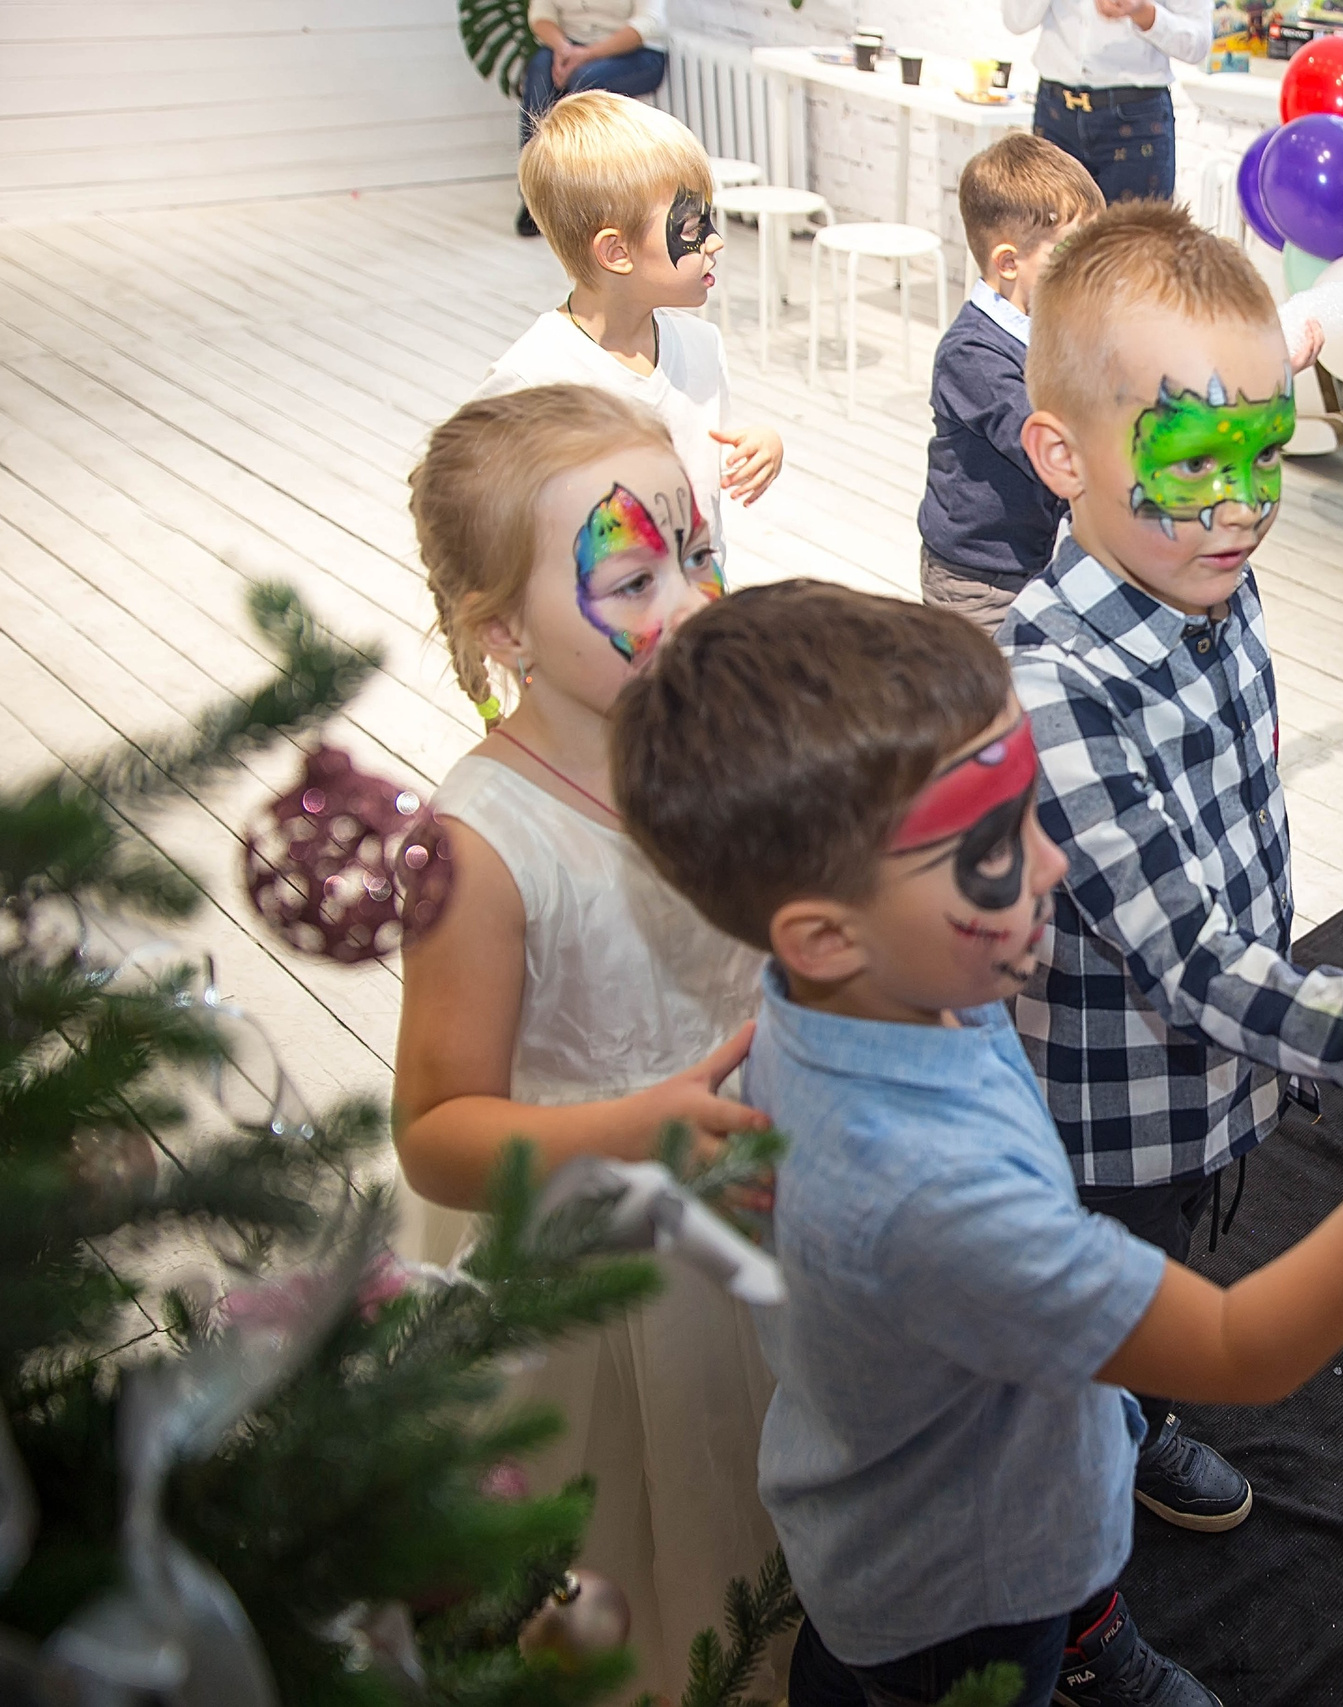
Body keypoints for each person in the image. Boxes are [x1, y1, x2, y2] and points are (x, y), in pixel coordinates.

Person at [606, 579, 1343, 1707]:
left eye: (1031, 810)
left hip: (897, 1511)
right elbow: (1241, 1348)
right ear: (824, 932)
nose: (1050, 864)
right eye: (990, 849)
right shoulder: (930, 1194)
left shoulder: (868, 986)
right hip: (965, 1601)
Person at [1000, 201, 1343, 1529]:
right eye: (1190, 457)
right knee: (1092, 1330)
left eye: (1261, 448)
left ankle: (1141, 1414)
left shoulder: (1208, 576)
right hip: (1105, 1124)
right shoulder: (1047, 685)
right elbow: (1196, 965)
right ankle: (1071, 1564)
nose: (1240, 504)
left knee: (1165, 1282)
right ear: (1061, 454)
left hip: (1209, 1095)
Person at [395, 384, 782, 1701]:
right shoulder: (480, 846)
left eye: (699, 549)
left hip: (765, 1192)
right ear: (501, 626)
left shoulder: (706, 740)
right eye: (630, 571)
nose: (685, 596)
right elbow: (439, 1133)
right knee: (653, 1561)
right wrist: (634, 1127)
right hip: (606, 1265)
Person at [480, 91, 784, 543]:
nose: (715, 242)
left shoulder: (701, 346)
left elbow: (699, 461)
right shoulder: (533, 379)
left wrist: (760, 443)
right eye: (691, 229)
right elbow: (470, 505)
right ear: (616, 252)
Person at [917, 135, 1106, 633]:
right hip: (979, 579)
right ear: (1007, 263)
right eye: (1069, 251)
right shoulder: (973, 355)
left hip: (1036, 559)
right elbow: (1041, 442)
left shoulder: (1055, 326)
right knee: (994, 698)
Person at [1002, 0, 1208, 205]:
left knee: (1136, 234)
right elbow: (1016, 21)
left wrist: (1143, 12)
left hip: (1136, 120)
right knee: (1047, 230)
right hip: (1055, 112)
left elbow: (1197, 44)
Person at [516, 0, 671, 232]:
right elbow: (541, 15)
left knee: (584, 81)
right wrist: (563, 49)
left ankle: (585, 198)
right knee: (540, 71)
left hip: (636, 53)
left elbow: (648, 23)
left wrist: (587, 55)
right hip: (569, 46)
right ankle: (537, 195)